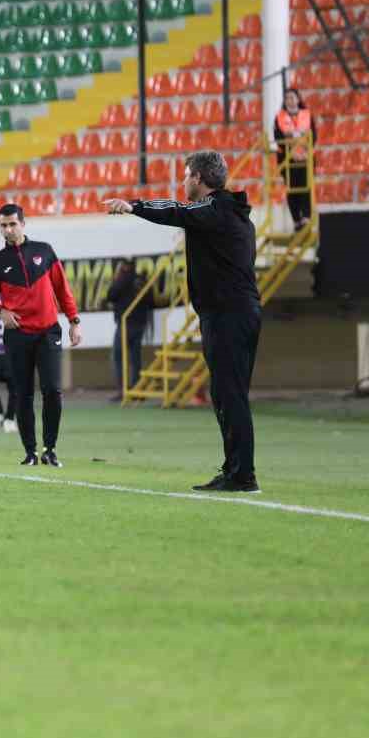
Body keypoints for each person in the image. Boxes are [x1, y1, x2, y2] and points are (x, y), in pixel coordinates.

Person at [106, 150, 262, 492]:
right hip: (234, 311)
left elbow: (176, 211)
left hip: (228, 313)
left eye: (185, 175)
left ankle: (243, 475)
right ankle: (235, 468)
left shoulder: (215, 208)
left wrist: (135, 206)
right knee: (225, 394)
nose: (182, 181)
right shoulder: (234, 216)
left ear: (199, 179)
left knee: (230, 394)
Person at [0, 203, 82, 467]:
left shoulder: (44, 252)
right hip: (17, 336)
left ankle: (50, 449)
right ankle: (30, 452)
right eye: (3, 225)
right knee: (23, 394)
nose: (8, 229)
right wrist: (0, 312)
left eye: (13, 224)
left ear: (23, 224)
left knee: (52, 390)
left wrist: (74, 320)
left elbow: (62, 289)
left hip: (48, 333)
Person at [105, 258, 153, 399]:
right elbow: (151, 300)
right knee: (135, 357)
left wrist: (118, 279)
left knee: (118, 357)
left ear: (124, 267)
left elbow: (110, 295)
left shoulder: (123, 279)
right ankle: (136, 389)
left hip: (126, 324)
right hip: (140, 324)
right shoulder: (142, 280)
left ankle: (123, 391)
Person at [272, 88, 315, 229]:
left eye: (292, 97)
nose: (290, 100)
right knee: (292, 188)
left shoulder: (307, 114)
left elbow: (313, 135)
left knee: (306, 187)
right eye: (287, 98)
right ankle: (297, 219)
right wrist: (292, 151)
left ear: (298, 99)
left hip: (306, 157)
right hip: (287, 159)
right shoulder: (279, 117)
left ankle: (306, 217)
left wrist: (302, 146)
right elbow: (278, 138)